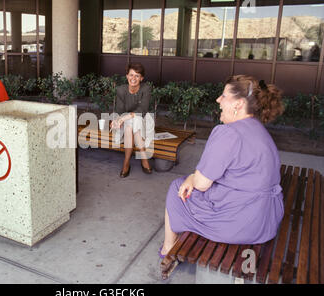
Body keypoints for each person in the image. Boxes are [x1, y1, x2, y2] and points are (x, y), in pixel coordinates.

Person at [160, 75, 285, 275]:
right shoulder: (259, 129)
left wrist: (192, 177)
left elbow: (201, 183)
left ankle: (168, 249)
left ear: (238, 104)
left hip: (242, 222)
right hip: (267, 219)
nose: (218, 100)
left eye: (224, 96)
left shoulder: (228, 132)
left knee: (178, 186)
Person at [111, 62, 152, 177]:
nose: (133, 78)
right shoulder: (121, 90)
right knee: (129, 127)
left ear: (141, 78)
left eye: (137, 76)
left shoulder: (146, 89)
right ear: (127, 76)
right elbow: (119, 111)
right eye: (131, 75)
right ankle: (142, 160)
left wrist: (125, 117)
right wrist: (117, 120)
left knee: (135, 122)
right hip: (127, 121)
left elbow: (142, 110)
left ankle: (126, 164)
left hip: (143, 120)